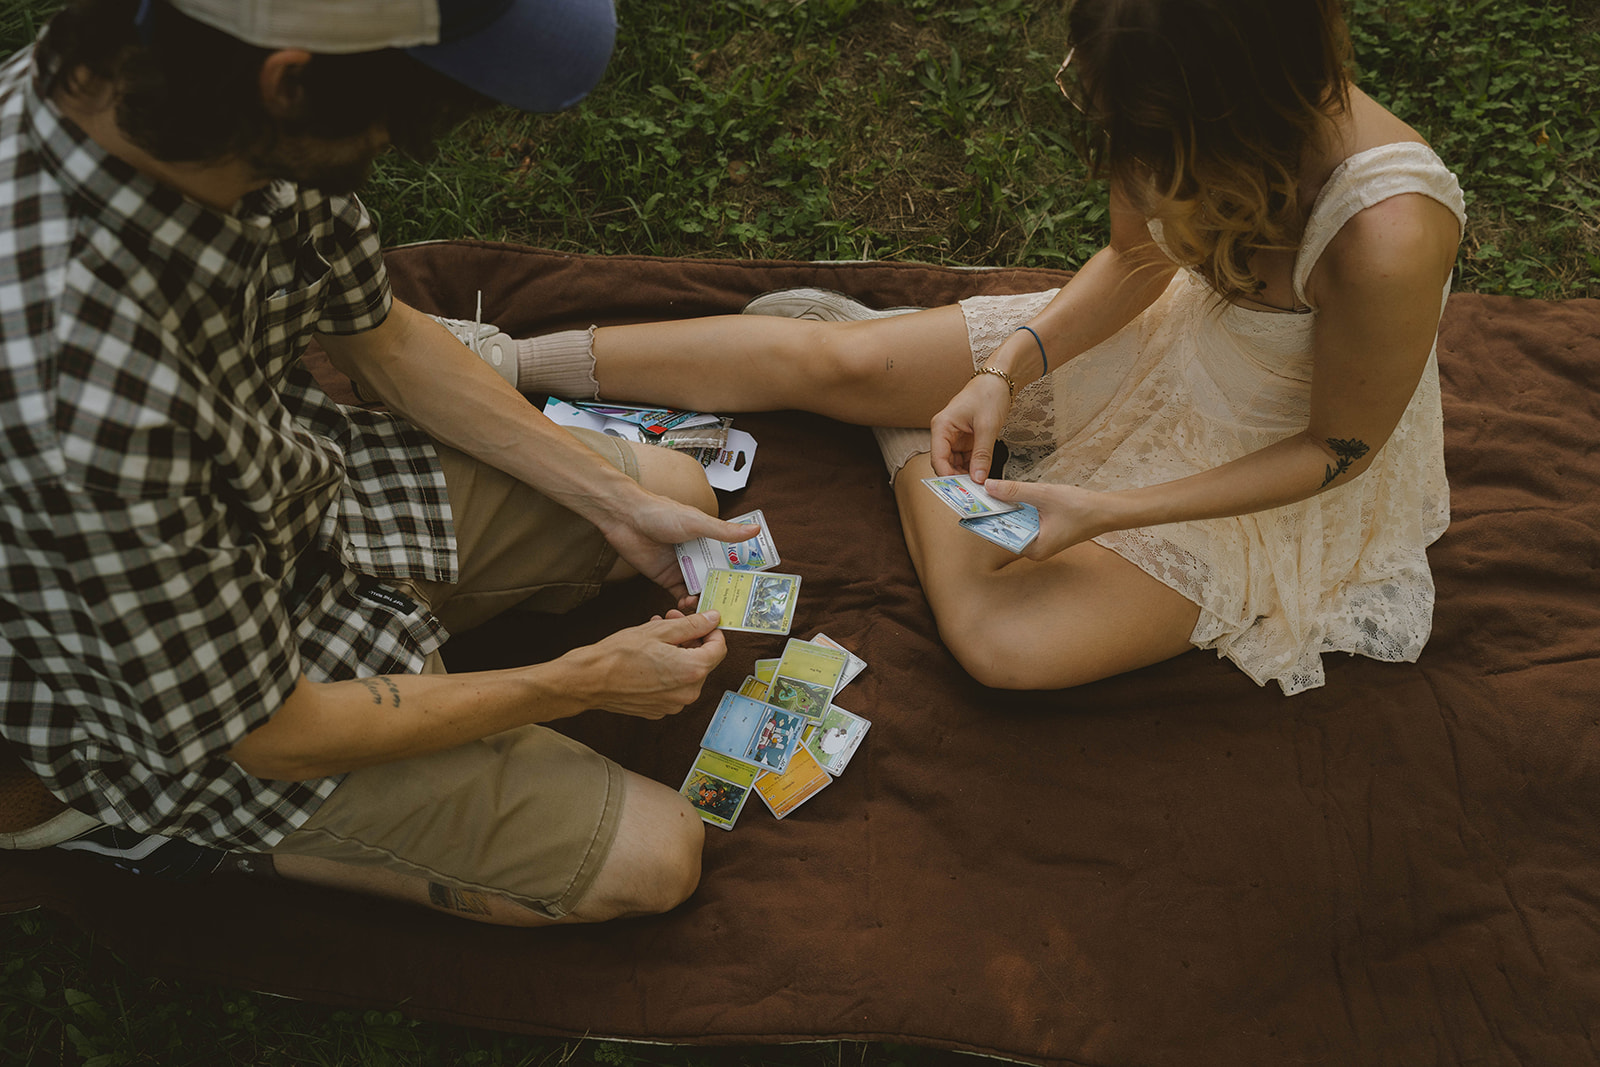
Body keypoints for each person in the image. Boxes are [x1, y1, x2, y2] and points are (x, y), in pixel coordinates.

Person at [0, 0, 764, 926]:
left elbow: (384, 338)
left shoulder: (197, 93)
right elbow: (274, 731)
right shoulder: (86, 409)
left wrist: (611, 498)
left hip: (299, 499)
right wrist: (579, 682)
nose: (412, 142)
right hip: (200, 706)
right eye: (419, 106)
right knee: (657, 855)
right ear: (290, 82)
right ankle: (162, 830)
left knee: (670, 491)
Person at [465, 0, 1465, 697]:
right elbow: (1135, 262)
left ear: (1232, 110)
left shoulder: (1385, 236)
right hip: (1162, 341)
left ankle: (902, 434)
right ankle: (501, 356)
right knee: (831, 361)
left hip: (1263, 459)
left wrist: (1109, 511)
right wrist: (1002, 370)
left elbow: (1337, 449)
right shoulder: (1155, 89)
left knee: (1004, 642)